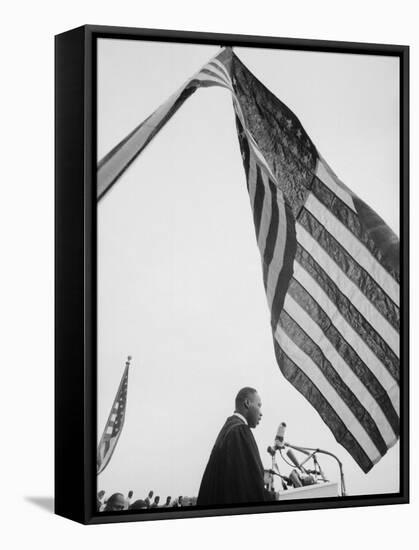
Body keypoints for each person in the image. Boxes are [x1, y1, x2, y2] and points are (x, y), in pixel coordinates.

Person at [197, 387, 273, 506]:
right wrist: (275, 497)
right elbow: (250, 487)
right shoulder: (240, 431)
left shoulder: (228, 429)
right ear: (247, 403)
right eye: (259, 405)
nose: (261, 413)